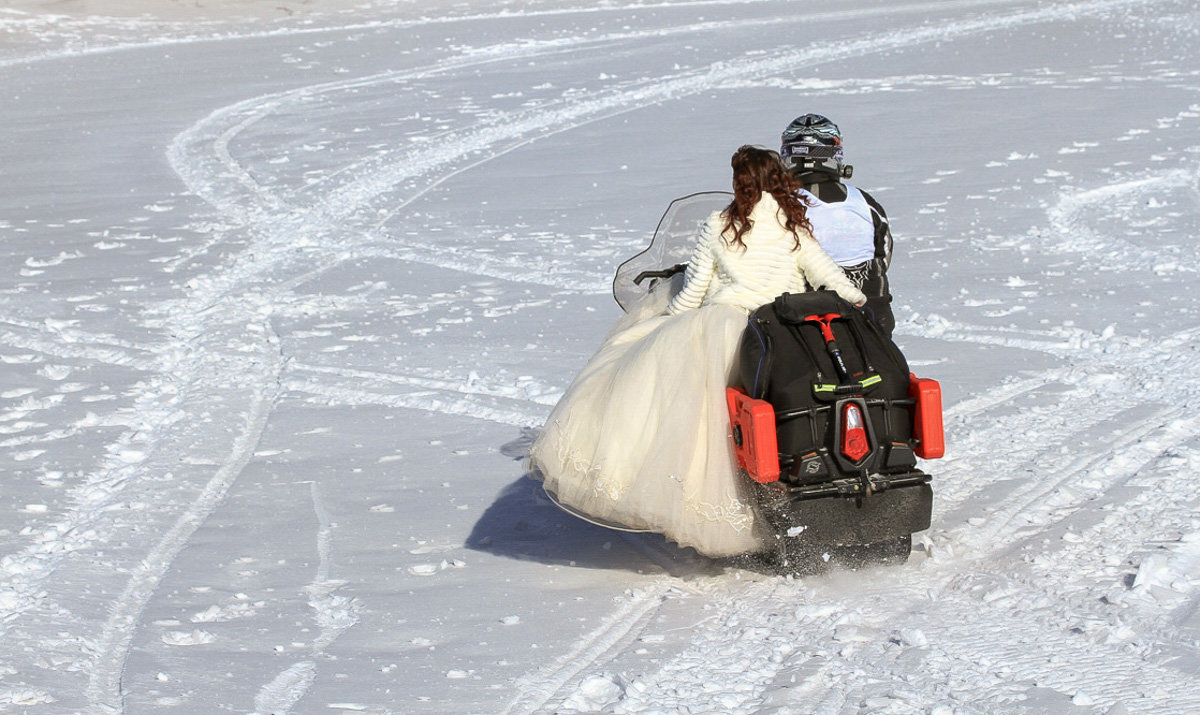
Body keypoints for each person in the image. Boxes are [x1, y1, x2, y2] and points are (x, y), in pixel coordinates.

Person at [528, 146, 867, 558]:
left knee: (695, 416)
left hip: (725, 326)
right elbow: (825, 273)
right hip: (784, 329)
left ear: (740, 182)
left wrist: (669, 321)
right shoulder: (792, 222)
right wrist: (854, 299)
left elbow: (695, 289)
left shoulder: (721, 225)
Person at [780, 114, 896, 336]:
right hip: (872, 316)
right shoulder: (865, 203)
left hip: (806, 321)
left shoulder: (778, 205)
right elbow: (884, 254)